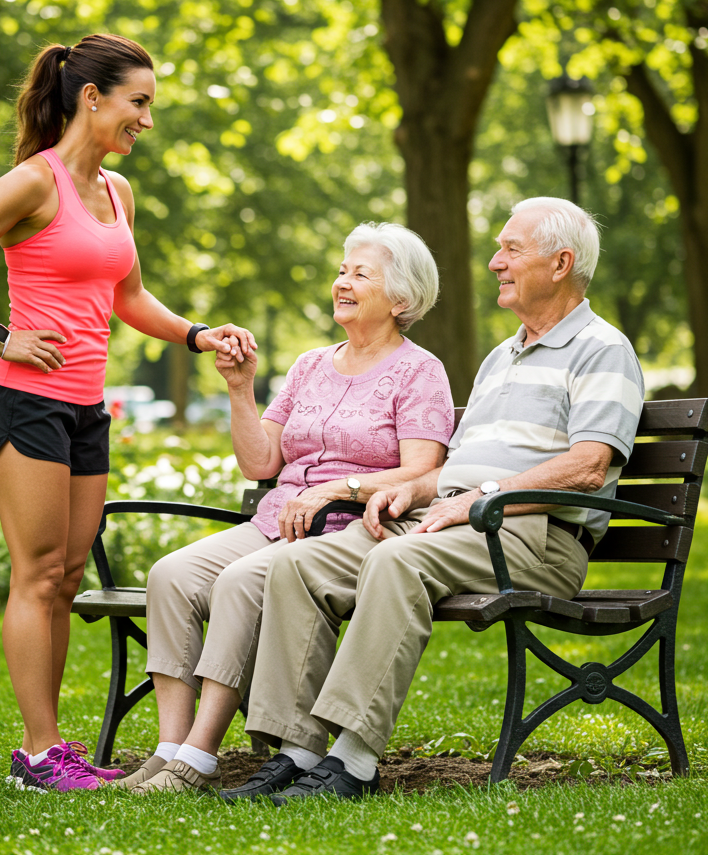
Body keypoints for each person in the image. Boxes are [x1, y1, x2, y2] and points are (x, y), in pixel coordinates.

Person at [0, 34, 256, 792]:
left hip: (84, 409)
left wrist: (198, 334)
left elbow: (129, 299)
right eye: (140, 103)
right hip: (24, 404)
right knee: (36, 575)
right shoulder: (33, 184)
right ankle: (39, 755)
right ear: (92, 98)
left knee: (67, 576)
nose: (147, 120)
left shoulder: (117, 194)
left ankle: (56, 752)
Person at [222, 196, 645, 803]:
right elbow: (448, 467)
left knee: (396, 563)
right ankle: (298, 752)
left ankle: (354, 761)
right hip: (451, 520)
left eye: (511, 249)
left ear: (560, 263)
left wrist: (480, 498)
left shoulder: (603, 350)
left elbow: (589, 465)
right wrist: (405, 491)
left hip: (533, 536)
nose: (495, 261)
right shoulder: (503, 356)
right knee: (297, 563)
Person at [117, 222, 455, 794]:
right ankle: (167, 750)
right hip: (277, 520)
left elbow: (422, 470)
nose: (342, 282)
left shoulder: (420, 372)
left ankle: (197, 760)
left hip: (352, 531)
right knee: (170, 575)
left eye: (360, 274)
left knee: (241, 581)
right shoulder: (310, 365)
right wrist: (239, 388)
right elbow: (260, 462)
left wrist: (340, 487)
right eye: (342, 270)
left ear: (402, 299)